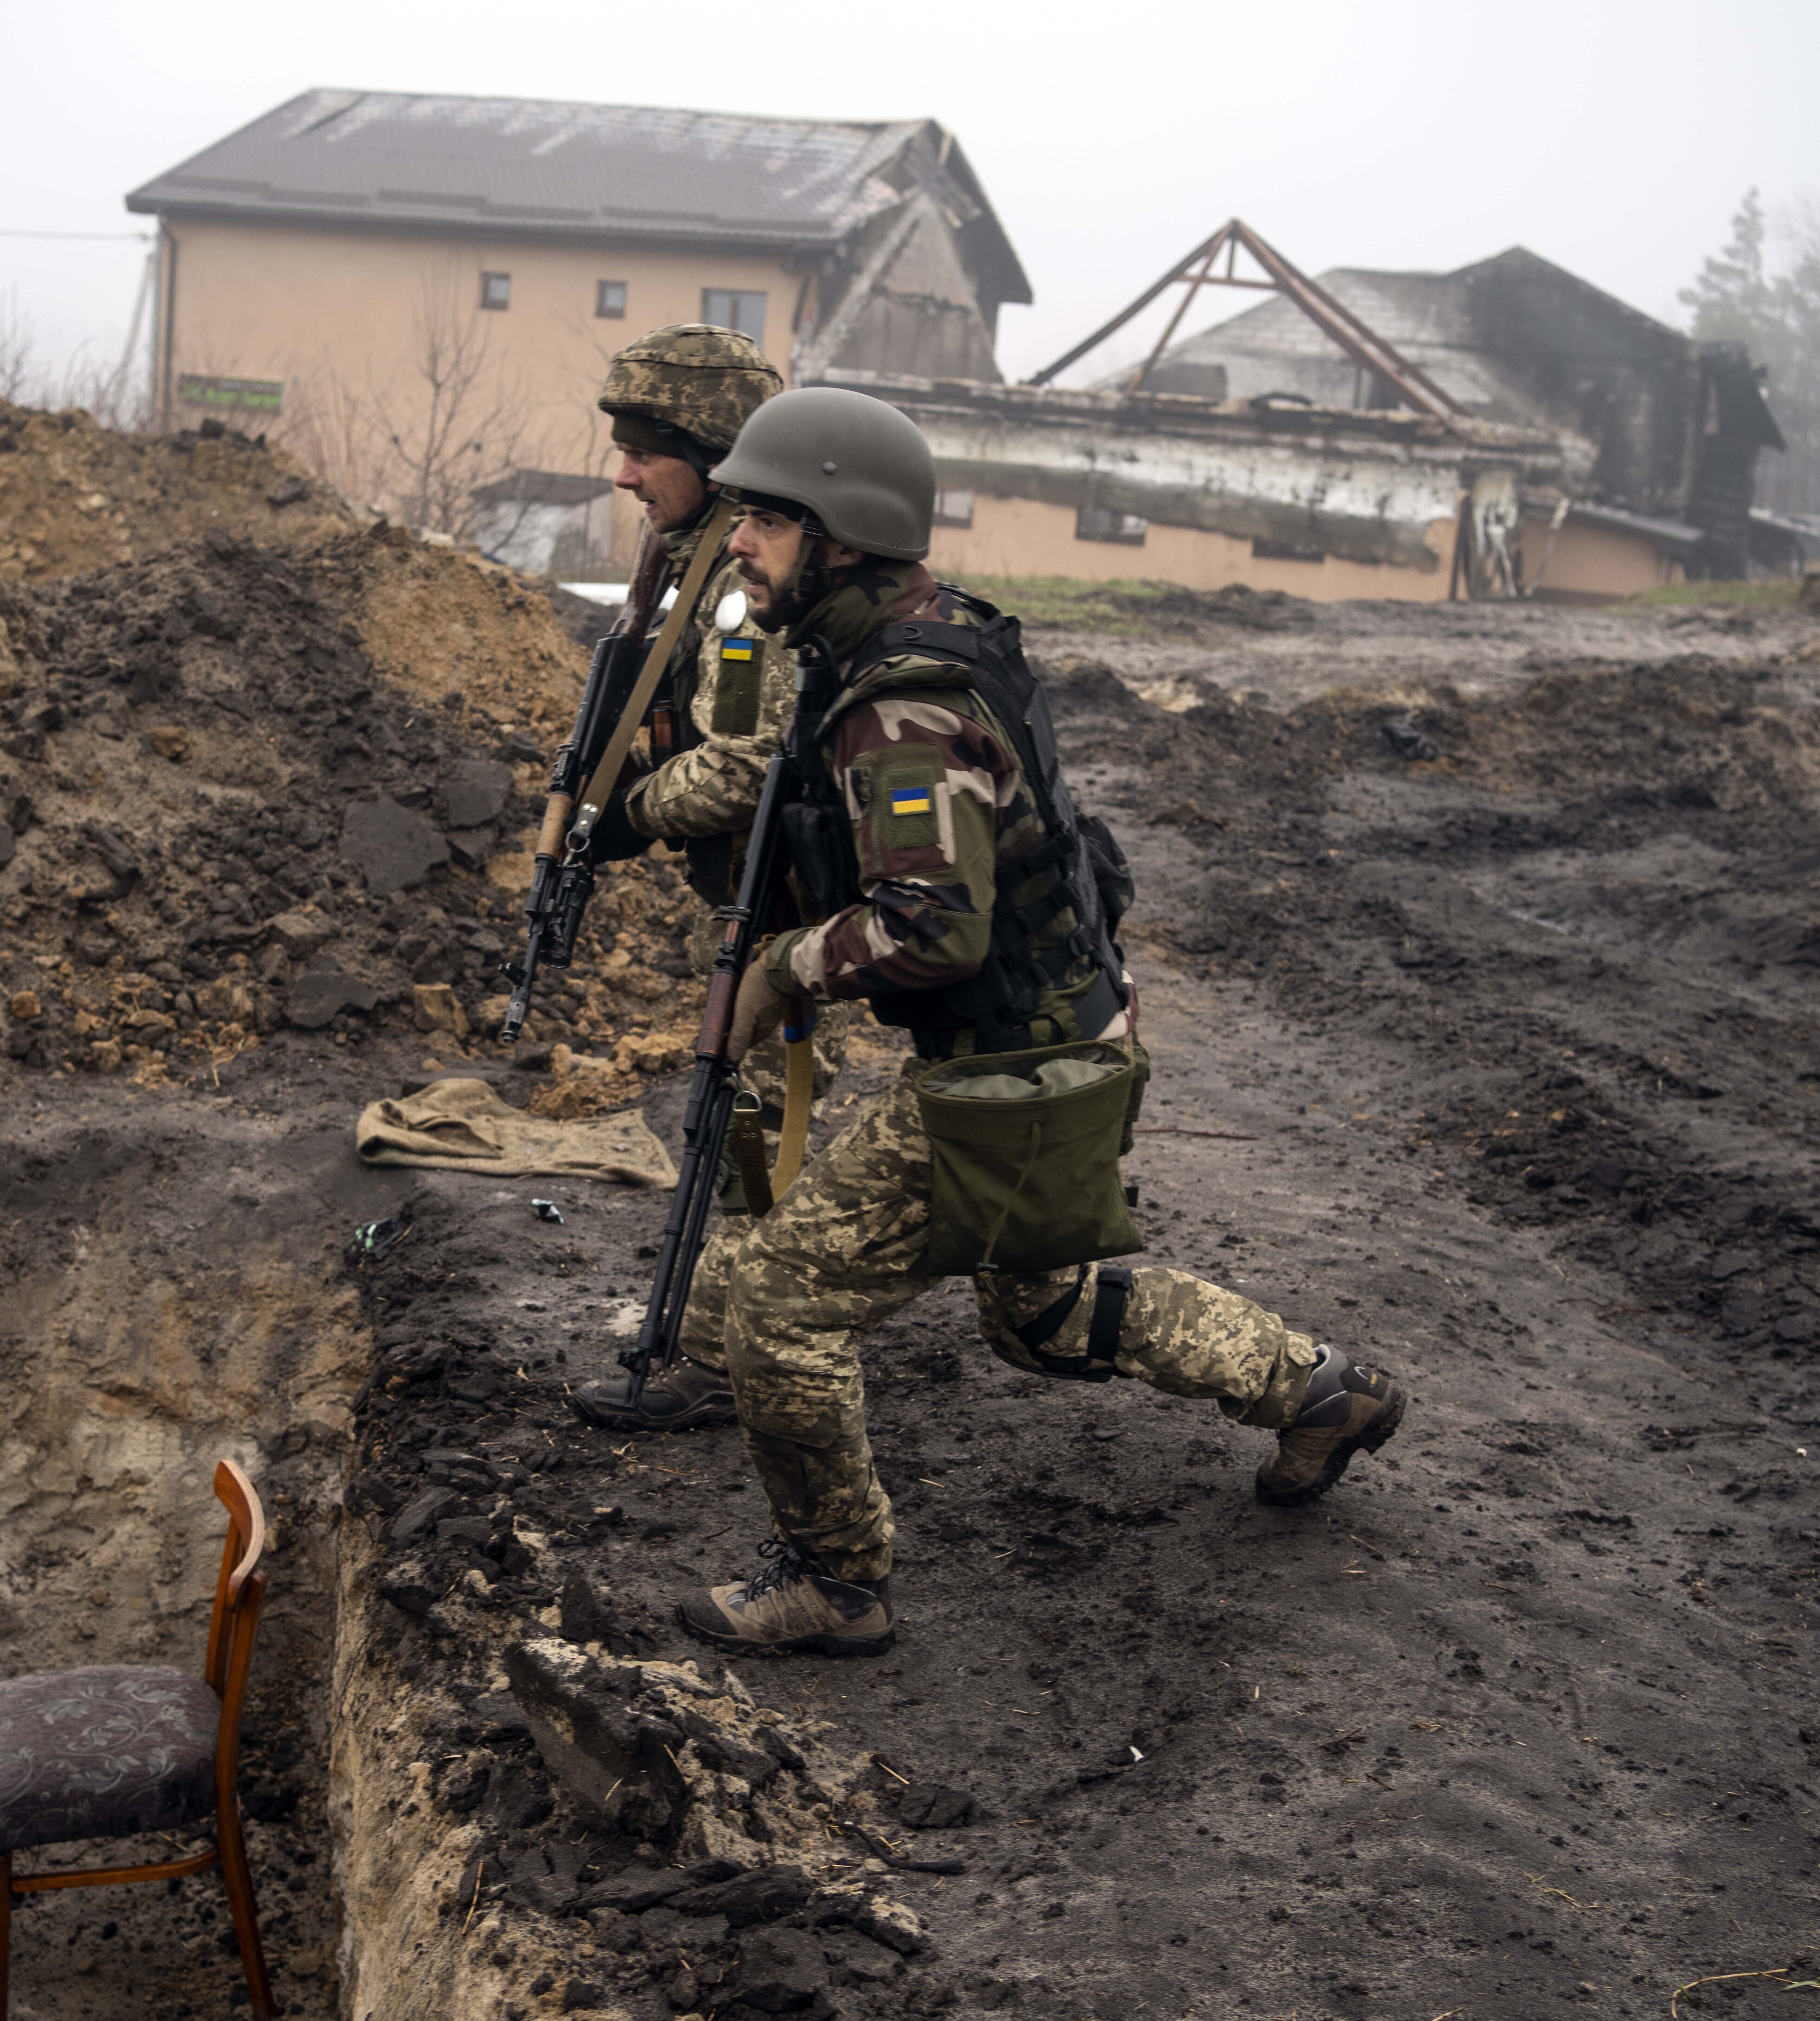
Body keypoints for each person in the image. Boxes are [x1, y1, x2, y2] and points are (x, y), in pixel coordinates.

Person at [668, 386, 1411, 1658]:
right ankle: (1320, 1392)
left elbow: (929, 930)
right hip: (1061, 1037)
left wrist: (782, 968)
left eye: (765, 520)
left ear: (839, 532)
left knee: (780, 1307)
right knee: (1045, 1310)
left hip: (1016, 1065)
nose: (737, 542)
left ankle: (836, 1584)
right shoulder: (912, 639)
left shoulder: (900, 707)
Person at [563, 325, 847, 1435]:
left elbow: (746, 764)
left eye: (646, 447)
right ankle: (727, 1345)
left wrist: (626, 813)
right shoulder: (692, 562)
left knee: (747, 1126)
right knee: (739, 1123)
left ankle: (731, 1359)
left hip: (791, 902)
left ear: (716, 452)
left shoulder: (745, 585)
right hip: (762, 895)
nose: (625, 472)